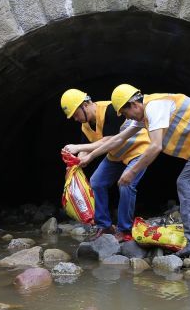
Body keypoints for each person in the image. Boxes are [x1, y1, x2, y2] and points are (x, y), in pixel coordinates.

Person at [79, 84, 190, 257]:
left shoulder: (154, 107)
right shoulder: (143, 114)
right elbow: (119, 138)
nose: (125, 117)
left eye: (125, 113)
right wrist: (90, 155)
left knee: (186, 183)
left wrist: (131, 172)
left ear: (135, 105)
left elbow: (155, 146)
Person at [60, 88, 151, 242]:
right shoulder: (86, 124)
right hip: (116, 155)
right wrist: (76, 160)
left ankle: (124, 230)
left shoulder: (110, 109)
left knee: (126, 184)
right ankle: (105, 225)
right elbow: (85, 146)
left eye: (76, 114)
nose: (75, 119)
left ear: (86, 104)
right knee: (96, 182)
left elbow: (108, 140)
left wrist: (79, 148)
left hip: (138, 150)